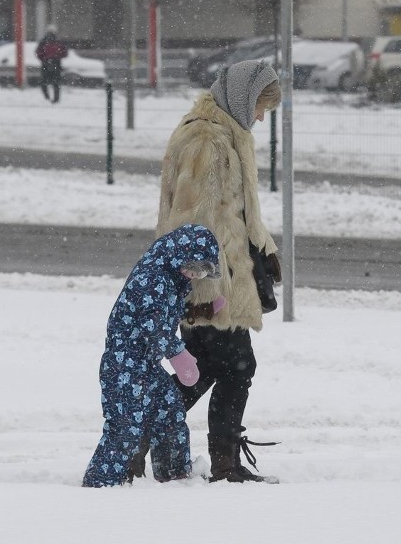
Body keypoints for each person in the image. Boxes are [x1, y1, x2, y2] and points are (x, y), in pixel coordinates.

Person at [153, 59, 282, 483]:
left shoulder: (227, 134)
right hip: (210, 282)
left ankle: (143, 435)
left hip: (224, 276)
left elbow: (234, 212)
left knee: (210, 366)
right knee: (235, 366)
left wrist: (262, 247)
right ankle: (219, 461)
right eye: (260, 107)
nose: (261, 117)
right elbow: (189, 222)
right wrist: (201, 291)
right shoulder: (206, 139)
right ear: (243, 99)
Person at [82, 224, 226, 488]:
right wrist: (179, 355)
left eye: (201, 272)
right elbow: (154, 326)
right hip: (123, 365)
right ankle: (100, 483)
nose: (194, 274)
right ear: (179, 254)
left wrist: (204, 310)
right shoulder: (153, 278)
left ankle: (175, 475)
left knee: (169, 412)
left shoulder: (171, 278)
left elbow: (168, 312)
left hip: (145, 365)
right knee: (125, 428)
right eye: (193, 267)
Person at [35, 25, 68, 103]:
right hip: (56, 64)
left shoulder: (43, 41)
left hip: (45, 64)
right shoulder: (59, 41)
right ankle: (56, 99)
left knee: (44, 82)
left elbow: (38, 52)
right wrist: (57, 57)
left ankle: (47, 97)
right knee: (56, 83)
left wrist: (44, 59)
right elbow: (65, 53)